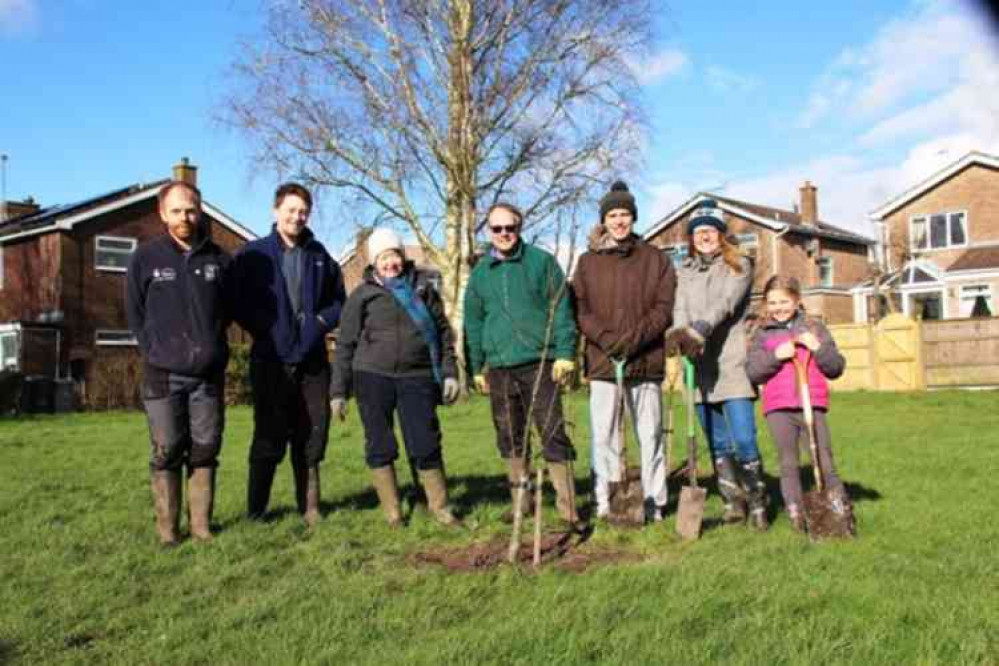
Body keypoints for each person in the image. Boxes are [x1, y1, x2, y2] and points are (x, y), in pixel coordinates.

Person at [231, 183, 346, 526]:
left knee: (312, 431)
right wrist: (264, 328)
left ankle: (310, 509)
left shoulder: (320, 255)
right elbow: (236, 300)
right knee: (269, 433)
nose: (297, 217)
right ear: (275, 211)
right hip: (271, 359)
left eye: (303, 211)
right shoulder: (254, 255)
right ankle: (256, 511)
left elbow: (338, 300)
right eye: (291, 210)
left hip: (312, 360)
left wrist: (320, 322)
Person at [329, 229, 461, 527]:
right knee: (380, 444)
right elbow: (346, 344)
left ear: (403, 257)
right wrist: (338, 391)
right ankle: (393, 514)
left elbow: (443, 335)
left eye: (395, 255)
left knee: (425, 442)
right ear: (374, 261)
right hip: (372, 377)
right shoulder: (362, 295)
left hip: (418, 377)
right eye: (383, 257)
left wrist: (450, 373)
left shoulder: (424, 289)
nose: (391, 263)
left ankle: (440, 508)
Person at [463, 202, 582, 528]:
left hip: (540, 363)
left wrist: (565, 353)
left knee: (553, 432)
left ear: (519, 228)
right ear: (489, 231)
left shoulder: (541, 262)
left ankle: (568, 509)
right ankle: (521, 503)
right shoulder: (480, 274)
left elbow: (561, 310)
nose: (504, 234)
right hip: (499, 368)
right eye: (496, 229)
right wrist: (476, 366)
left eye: (510, 228)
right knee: (511, 437)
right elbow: (473, 322)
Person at [126, 181, 232, 546]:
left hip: (208, 376)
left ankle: (201, 528)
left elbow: (228, 311)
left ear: (199, 210)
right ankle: (168, 532)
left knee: (205, 449)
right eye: (176, 211)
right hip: (162, 375)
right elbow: (135, 314)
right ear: (162, 213)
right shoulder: (145, 258)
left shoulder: (219, 259)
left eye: (190, 210)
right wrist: (153, 350)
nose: (184, 217)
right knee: (167, 449)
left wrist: (211, 346)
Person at [573, 181, 676, 523]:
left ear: (633, 218)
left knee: (650, 435)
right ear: (604, 220)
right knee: (604, 434)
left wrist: (633, 341)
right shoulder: (587, 262)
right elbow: (580, 309)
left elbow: (664, 309)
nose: (619, 221)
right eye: (613, 215)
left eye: (625, 214)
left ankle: (654, 501)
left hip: (645, 360)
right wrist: (605, 338)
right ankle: (608, 499)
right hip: (604, 363)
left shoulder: (656, 259)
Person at [669, 199, 768, 530]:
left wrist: (700, 330)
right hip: (698, 367)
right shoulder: (684, 270)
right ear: (692, 237)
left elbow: (727, 303)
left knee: (744, 438)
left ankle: (757, 501)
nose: (704, 237)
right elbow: (679, 308)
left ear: (721, 234)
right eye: (699, 232)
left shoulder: (739, 263)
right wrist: (682, 335)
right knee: (718, 442)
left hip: (731, 362)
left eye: (710, 230)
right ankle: (732, 503)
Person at [746, 275, 848, 531]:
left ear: (797, 300)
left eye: (784, 301)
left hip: (811, 404)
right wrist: (775, 356)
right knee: (788, 463)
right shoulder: (762, 334)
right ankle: (796, 514)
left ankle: (837, 512)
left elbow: (835, 367)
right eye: (772, 302)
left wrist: (818, 348)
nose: (778, 307)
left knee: (823, 460)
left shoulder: (814, 328)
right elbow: (753, 372)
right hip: (778, 408)